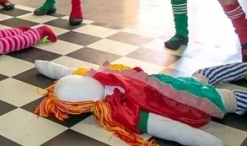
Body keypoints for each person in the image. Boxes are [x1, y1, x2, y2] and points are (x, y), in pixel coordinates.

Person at [34, 60, 247, 146]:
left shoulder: (100, 79)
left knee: (203, 79)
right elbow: (171, 129)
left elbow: (67, 72)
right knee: (208, 81)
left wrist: (48, 68)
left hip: (185, 90)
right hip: (189, 93)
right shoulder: (107, 79)